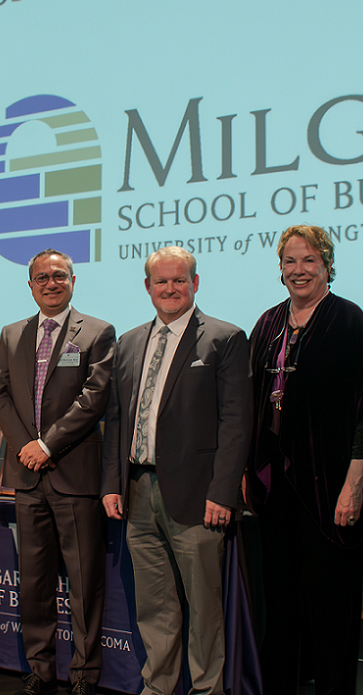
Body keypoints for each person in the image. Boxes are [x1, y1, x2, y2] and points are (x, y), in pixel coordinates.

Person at [101, 246, 252, 695]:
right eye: (161, 281)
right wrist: (112, 484)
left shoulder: (224, 339)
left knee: (205, 609)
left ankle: (208, 690)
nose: (170, 288)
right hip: (138, 491)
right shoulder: (127, 342)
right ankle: (159, 687)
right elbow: (117, 422)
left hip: (198, 496)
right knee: (155, 606)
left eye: (179, 280)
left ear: (195, 283)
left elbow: (237, 423)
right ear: (147, 287)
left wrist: (224, 493)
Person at [243, 225, 363, 695]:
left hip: (330, 488)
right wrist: (248, 470)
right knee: (280, 606)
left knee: (331, 609)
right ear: (280, 268)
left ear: (327, 266)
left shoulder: (348, 321)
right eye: (290, 262)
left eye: (309, 261)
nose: (298, 271)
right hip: (275, 488)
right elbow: (252, 403)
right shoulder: (267, 324)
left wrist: (355, 484)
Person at [0, 249, 115, 695]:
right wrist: (26, 447)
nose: (50, 282)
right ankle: (39, 668)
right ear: (30, 285)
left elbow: (94, 398)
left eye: (58, 275)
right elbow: (0, 393)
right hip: (27, 478)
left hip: (74, 476)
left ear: (73, 280)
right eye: (41, 277)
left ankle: (84, 674)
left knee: (84, 584)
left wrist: (47, 445)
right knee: (35, 580)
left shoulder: (98, 332)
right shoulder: (11, 334)